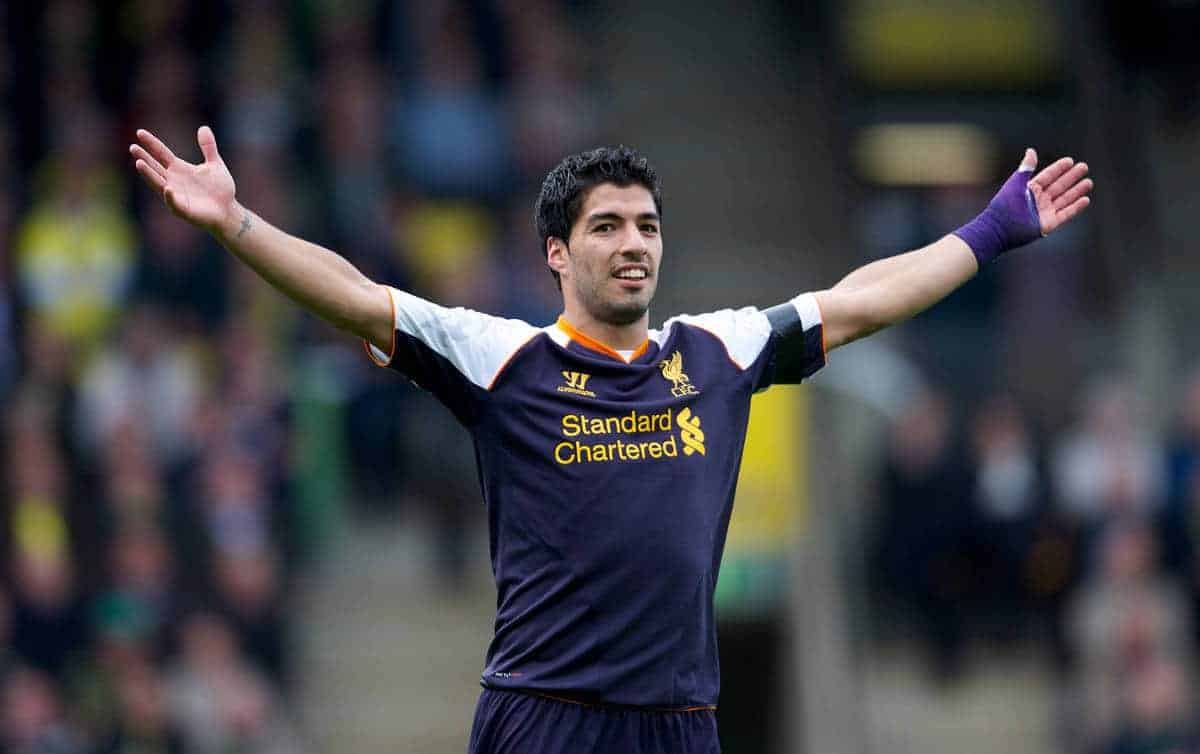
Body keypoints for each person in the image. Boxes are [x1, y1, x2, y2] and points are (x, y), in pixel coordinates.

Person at [129, 126, 1092, 754]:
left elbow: (860, 300)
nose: (633, 242)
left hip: (681, 726)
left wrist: (992, 229)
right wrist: (238, 223)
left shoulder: (719, 350)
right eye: (606, 227)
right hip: (542, 716)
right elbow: (351, 297)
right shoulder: (500, 357)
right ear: (557, 252)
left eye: (647, 225)